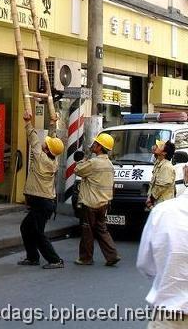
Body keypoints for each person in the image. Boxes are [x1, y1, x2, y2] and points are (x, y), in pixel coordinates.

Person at [137, 165, 188, 328]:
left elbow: (145, 264)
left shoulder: (163, 212)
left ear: (186, 172)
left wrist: (167, 277)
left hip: (171, 314)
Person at [18, 111, 65, 269]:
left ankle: (55, 260)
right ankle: (32, 258)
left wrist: (28, 122)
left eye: (46, 144)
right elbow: (52, 141)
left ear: (46, 150)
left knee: (38, 233)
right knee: (26, 228)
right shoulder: (53, 159)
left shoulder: (40, 157)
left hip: (42, 202)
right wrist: (52, 123)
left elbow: (33, 139)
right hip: (44, 202)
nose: (44, 143)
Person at [74, 133, 120, 267]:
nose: (93, 145)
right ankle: (112, 255)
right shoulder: (109, 164)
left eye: (95, 143)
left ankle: (85, 258)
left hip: (90, 203)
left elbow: (78, 170)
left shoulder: (94, 163)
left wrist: (85, 158)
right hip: (104, 203)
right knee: (102, 230)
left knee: (87, 231)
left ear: (100, 147)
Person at [146, 140, 176, 210]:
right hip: (157, 204)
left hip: (163, 205)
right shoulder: (158, 163)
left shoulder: (166, 167)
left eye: (159, 146)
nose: (156, 147)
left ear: (164, 153)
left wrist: (151, 199)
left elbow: (160, 186)